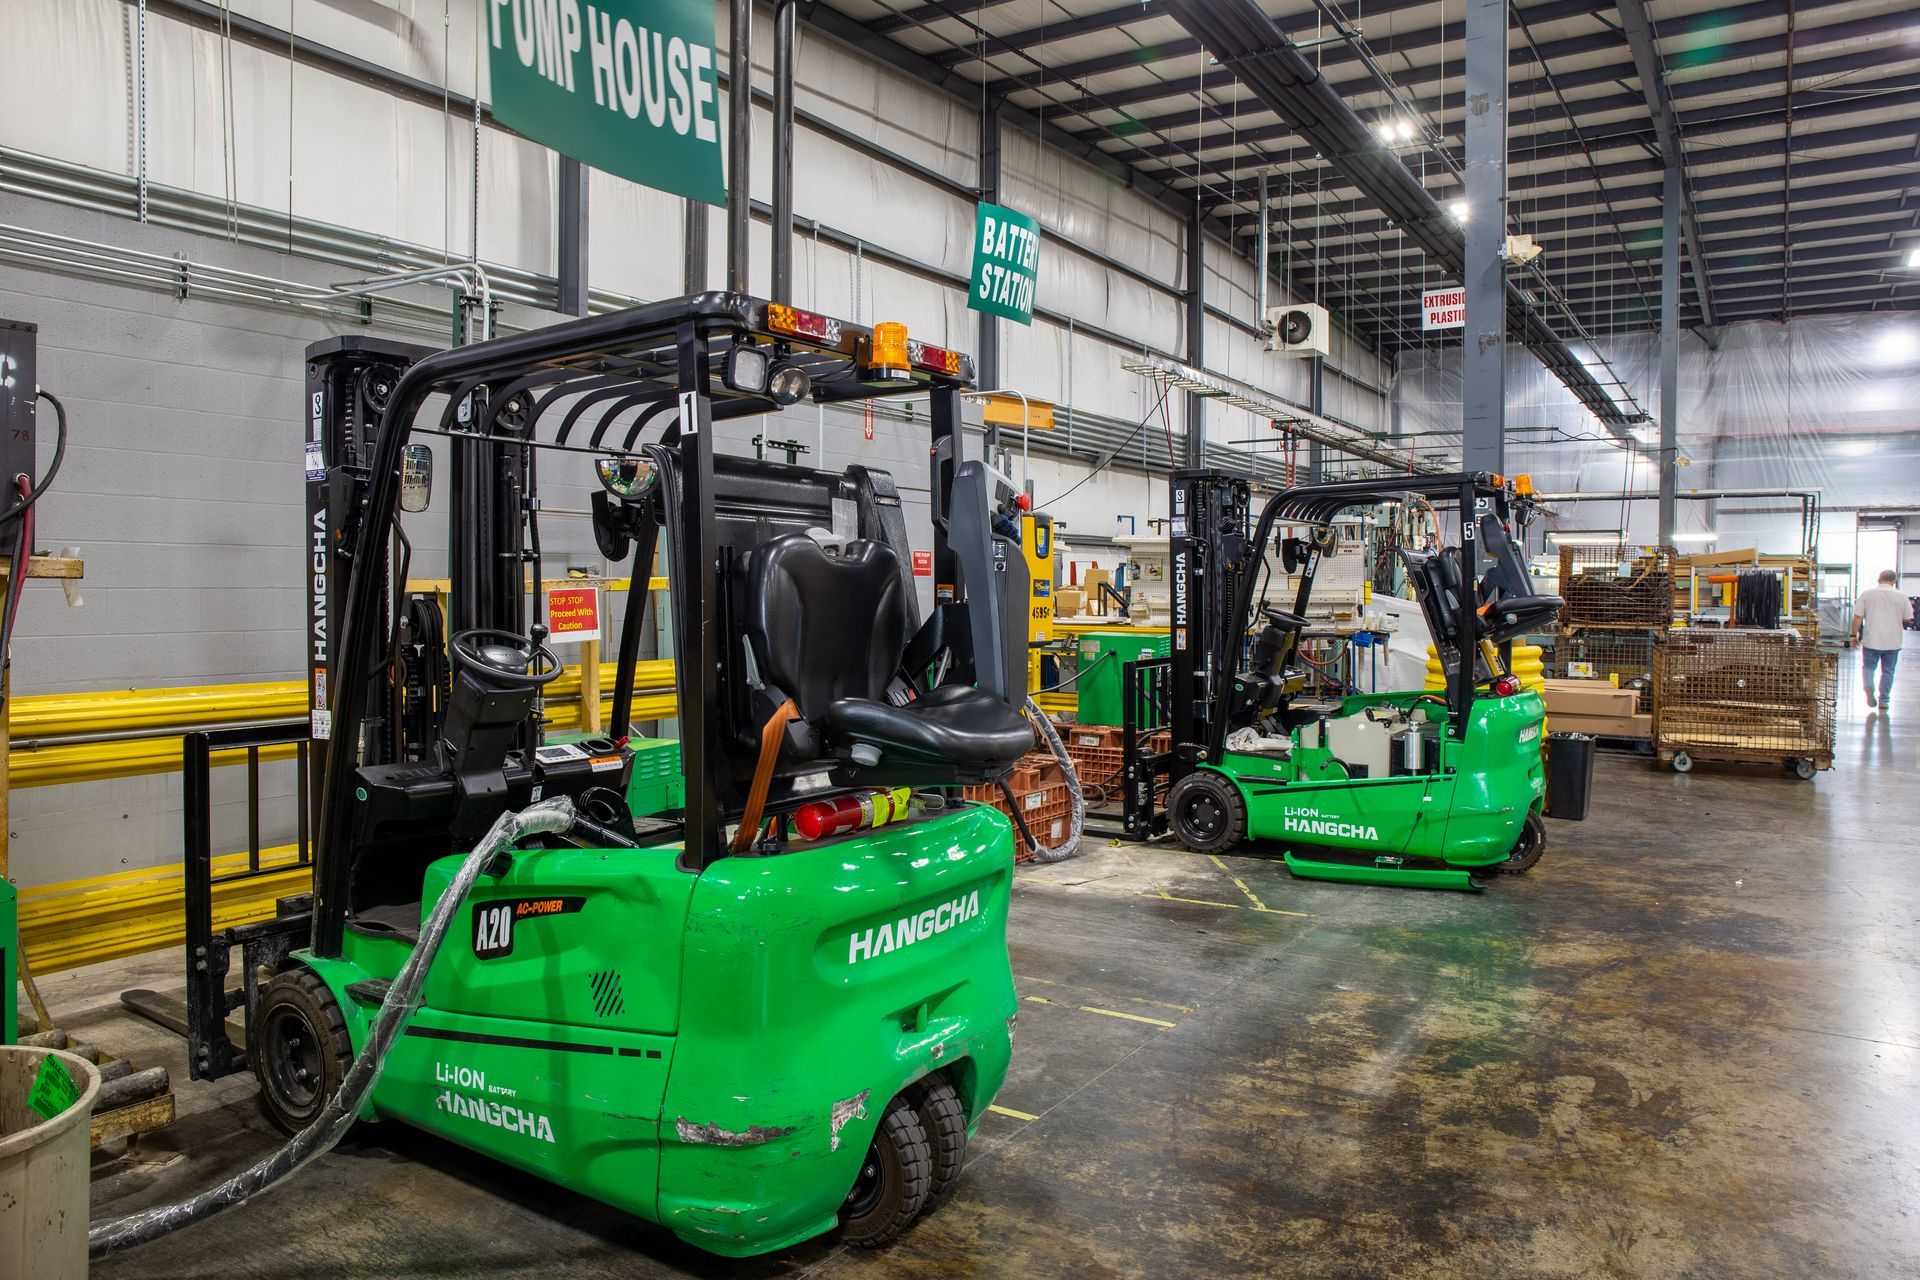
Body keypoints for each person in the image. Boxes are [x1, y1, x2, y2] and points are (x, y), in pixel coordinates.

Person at [1853, 569, 1913, 711]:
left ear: (1879, 579)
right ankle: (1884, 700)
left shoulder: (1867, 594)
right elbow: (1908, 618)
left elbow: (1857, 617)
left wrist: (1852, 636)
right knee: (1888, 670)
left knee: (1868, 667)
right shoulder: (1902, 596)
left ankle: (1868, 686)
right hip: (1893, 640)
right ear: (1894, 581)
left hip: (1871, 639)